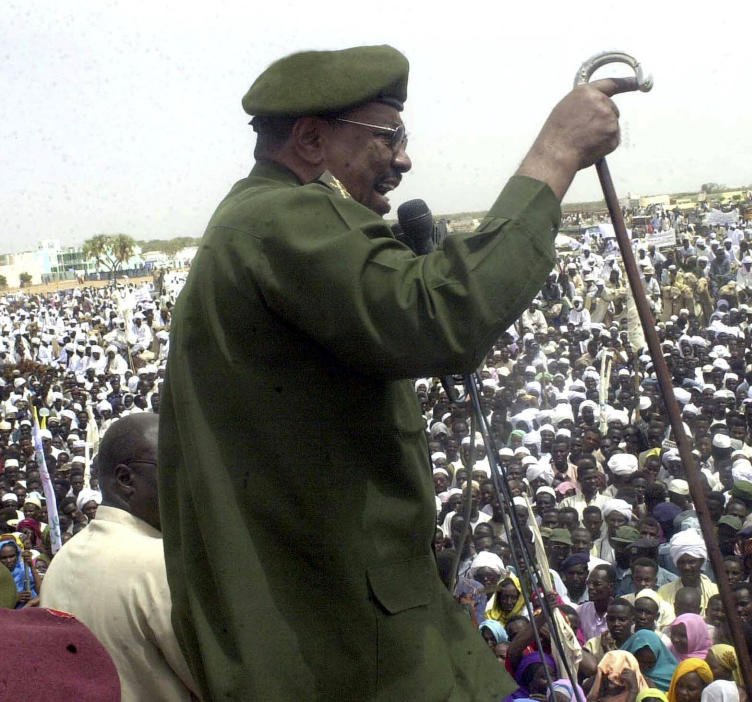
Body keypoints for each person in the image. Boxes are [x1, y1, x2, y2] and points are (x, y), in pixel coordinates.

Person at [158, 45, 627, 700]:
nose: (403, 158)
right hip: (347, 648)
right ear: (313, 139)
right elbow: (441, 316)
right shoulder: (282, 219)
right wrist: (557, 153)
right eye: (388, 137)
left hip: (340, 628)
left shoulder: (251, 222)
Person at [40, 414, 198, 701]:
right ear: (126, 479)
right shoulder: (160, 565)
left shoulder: (63, 560)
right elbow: (225, 684)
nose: (187, 482)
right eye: (174, 466)